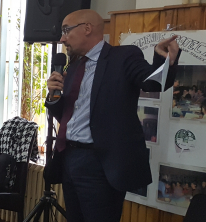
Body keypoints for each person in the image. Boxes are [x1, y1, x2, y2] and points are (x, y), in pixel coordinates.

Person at [45, 9, 181, 222]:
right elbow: (67, 116)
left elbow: (153, 82)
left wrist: (163, 61)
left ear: (87, 28)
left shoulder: (123, 56)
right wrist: (53, 98)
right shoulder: (73, 67)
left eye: (66, 31)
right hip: (70, 158)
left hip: (100, 164)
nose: (62, 38)